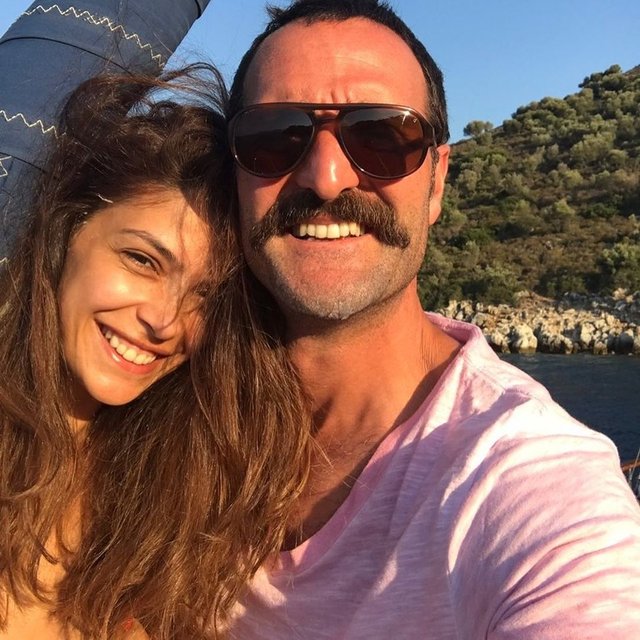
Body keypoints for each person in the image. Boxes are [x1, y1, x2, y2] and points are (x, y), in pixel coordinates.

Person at [224, 0, 640, 637]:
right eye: (274, 135)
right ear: (231, 171)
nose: (326, 177)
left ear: (438, 181)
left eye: (382, 137)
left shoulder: (526, 479)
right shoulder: (158, 390)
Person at [0, 65, 311, 639]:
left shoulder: (166, 490)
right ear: (67, 231)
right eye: (142, 260)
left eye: (205, 297)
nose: (164, 321)